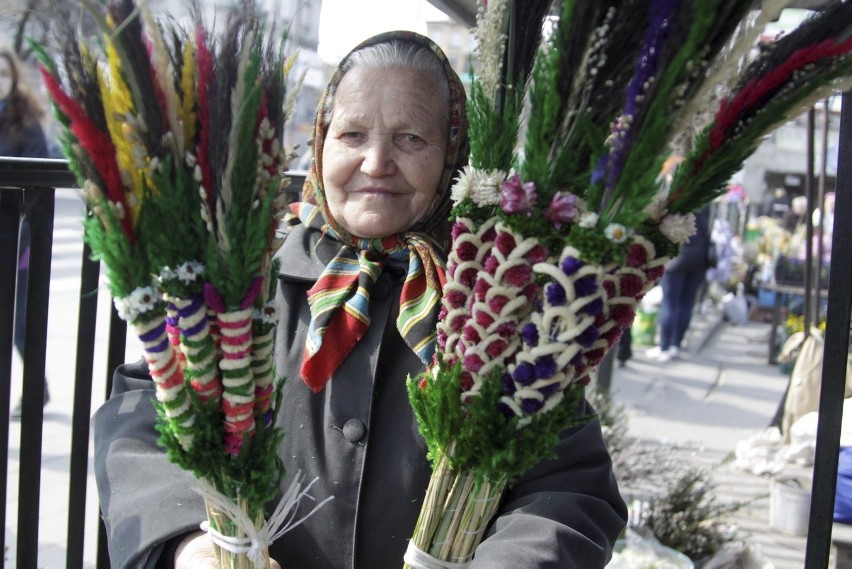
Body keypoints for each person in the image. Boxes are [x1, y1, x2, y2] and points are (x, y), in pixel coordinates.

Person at [93, 32, 627, 569]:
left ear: (454, 156)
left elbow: (569, 489)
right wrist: (193, 543)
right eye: (351, 134)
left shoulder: (499, 303)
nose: (375, 162)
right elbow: (147, 415)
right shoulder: (245, 284)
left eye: (411, 138)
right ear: (322, 142)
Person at [0, 46, 51, 420]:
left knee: (17, 323)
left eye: (3, 73)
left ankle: (36, 388)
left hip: (16, 238)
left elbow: (39, 174)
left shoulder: (25, 120)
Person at [646, 206, 713, 362]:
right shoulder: (705, 206)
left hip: (677, 259)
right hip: (699, 259)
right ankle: (676, 345)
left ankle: (664, 346)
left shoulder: (680, 200)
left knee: (670, 303)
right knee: (686, 304)